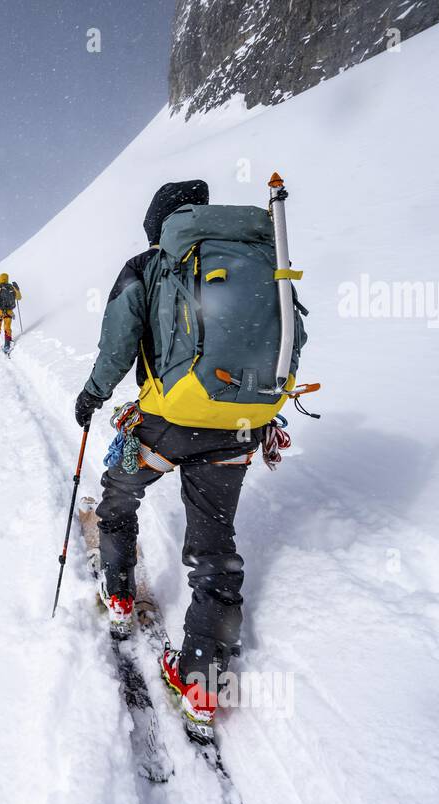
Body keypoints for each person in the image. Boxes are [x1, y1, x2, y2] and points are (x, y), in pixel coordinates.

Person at [72, 179, 287, 740]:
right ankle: (202, 682)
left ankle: (118, 593)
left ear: (158, 227)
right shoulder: (255, 260)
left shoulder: (147, 267)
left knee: (119, 494)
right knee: (215, 545)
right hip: (240, 423)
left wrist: (93, 396)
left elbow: (117, 346)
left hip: (167, 421)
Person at [0, 273, 21, 354]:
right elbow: (19, 298)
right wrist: (17, 289)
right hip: (9, 312)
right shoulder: (11, 287)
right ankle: (7, 345)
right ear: (7, 278)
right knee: (7, 328)